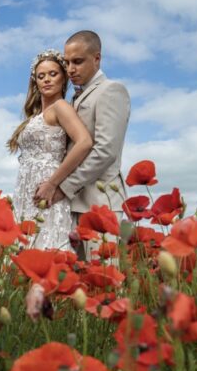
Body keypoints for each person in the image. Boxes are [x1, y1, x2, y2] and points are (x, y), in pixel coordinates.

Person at [34, 30, 130, 259]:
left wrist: (63, 187)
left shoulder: (111, 90)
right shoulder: (75, 98)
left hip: (100, 205)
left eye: (77, 62)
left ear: (97, 58)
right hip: (72, 206)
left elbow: (105, 151)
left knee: (102, 282)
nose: (70, 69)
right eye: (67, 63)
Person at [9, 49, 94, 250]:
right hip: (25, 189)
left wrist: (52, 183)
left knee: (45, 246)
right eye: (41, 76)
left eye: (53, 74)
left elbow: (84, 142)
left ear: (63, 78)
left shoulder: (60, 107)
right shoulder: (37, 115)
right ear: (35, 82)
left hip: (46, 188)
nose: (47, 80)